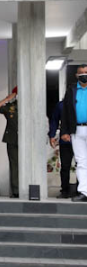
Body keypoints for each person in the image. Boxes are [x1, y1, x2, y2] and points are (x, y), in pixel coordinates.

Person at [60, 65, 87, 202]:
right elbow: (65, 112)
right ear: (76, 76)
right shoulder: (71, 90)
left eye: (86, 72)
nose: (84, 75)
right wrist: (64, 131)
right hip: (76, 129)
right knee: (81, 162)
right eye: (81, 73)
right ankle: (84, 192)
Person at [0, 87, 19, 198]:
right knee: (14, 165)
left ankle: (28, 187)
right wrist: (6, 99)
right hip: (12, 139)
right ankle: (16, 190)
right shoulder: (10, 107)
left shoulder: (30, 105)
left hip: (27, 140)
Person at [50, 100, 78, 198]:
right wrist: (52, 135)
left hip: (81, 140)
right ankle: (65, 191)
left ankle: (81, 191)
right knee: (65, 166)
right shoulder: (61, 105)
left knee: (82, 166)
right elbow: (54, 119)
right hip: (65, 141)